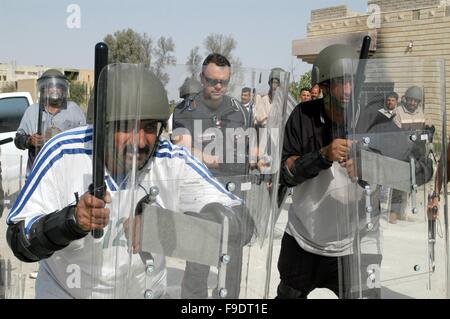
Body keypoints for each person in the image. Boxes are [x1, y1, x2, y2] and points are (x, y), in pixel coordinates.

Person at [5, 64, 246, 299]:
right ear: (103, 126)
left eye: (150, 127)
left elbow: (242, 223)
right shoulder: (63, 153)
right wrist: (71, 221)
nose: (140, 141)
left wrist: (168, 229)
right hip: (67, 292)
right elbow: (19, 239)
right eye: (127, 126)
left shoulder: (170, 159)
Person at [172, 54, 254, 298]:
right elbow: (184, 150)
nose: (218, 86)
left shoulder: (238, 110)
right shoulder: (185, 111)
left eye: (224, 82)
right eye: (212, 81)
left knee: (233, 263)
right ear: (202, 78)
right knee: (198, 264)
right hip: (200, 200)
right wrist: (222, 160)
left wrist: (257, 158)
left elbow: (247, 147)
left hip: (233, 195)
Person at [14, 69, 86, 176]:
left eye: (58, 86)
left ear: (64, 89)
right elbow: (18, 140)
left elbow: (85, 138)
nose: (55, 90)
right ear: (43, 89)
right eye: (50, 86)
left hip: (67, 173)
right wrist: (29, 140)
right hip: (38, 174)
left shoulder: (74, 109)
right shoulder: (32, 111)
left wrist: (62, 137)